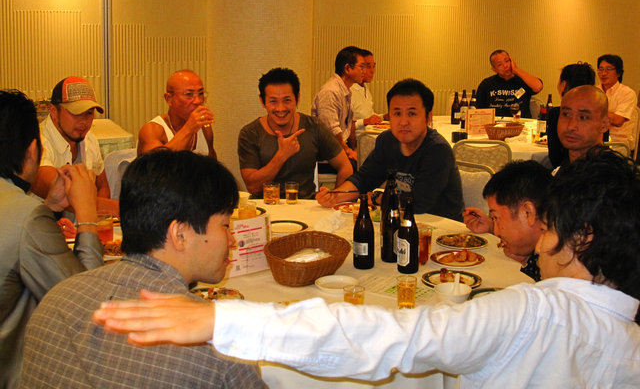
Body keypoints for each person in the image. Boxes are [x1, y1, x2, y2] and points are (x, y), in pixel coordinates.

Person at [94, 148, 640, 387]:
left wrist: (223, 320)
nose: (540, 243)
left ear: (582, 238)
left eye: (549, 228)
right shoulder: (630, 347)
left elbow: (390, 336)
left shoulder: (531, 313)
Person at [20, 151, 265, 388]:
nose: (232, 241)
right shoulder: (218, 340)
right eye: (225, 225)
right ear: (179, 234)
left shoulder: (56, 300)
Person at [0, 90, 103, 389]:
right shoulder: (25, 215)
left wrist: (51, 208)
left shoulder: (21, 211)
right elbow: (86, 304)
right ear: (33, 150)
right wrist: (86, 215)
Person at [316, 79, 464, 220]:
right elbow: (364, 179)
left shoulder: (437, 150)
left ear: (428, 118)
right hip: (403, 220)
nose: (403, 122)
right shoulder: (387, 141)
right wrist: (334, 196)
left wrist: (378, 197)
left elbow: (419, 203)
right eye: (397, 113)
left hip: (442, 226)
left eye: (412, 113)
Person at [238, 68, 352, 198]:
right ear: (262, 101)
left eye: (287, 100)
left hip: (306, 205)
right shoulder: (250, 133)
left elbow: (345, 167)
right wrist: (281, 156)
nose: (280, 108)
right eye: (273, 101)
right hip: (266, 206)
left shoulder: (313, 126)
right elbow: (253, 188)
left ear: (297, 99)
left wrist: (334, 198)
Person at [31, 76, 118, 215]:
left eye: (89, 113)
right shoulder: (37, 143)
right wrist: (121, 209)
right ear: (53, 111)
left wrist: (100, 220)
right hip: (43, 225)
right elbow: (65, 195)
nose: (84, 121)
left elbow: (102, 185)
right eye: (76, 113)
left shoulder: (89, 138)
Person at [463, 160, 552, 281]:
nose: (497, 232)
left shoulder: (561, 259)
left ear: (528, 212)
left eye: (496, 217)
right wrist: (525, 261)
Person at [137, 70, 216, 158]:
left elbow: (212, 164)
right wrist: (188, 129)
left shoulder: (205, 128)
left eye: (201, 93)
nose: (198, 101)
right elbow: (153, 164)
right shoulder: (152, 130)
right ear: (169, 99)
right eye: (189, 94)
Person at [311, 46, 366, 165]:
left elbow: (351, 124)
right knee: (365, 168)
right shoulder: (330, 92)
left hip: (338, 149)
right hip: (327, 155)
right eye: (361, 67)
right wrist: (349, 151)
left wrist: (354, 149)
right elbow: (331, 132)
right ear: (347, 68)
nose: (364, 71)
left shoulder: (345, 90)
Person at [547, 62, 596, 168]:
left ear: (563, 85)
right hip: (596, 170)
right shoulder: (598, 112)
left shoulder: (557, 114)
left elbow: (555, 157)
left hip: (566, 172)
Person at [476, 49, 543, 118]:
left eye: (507, 61)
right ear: (494, 69)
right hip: (496, 123)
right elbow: (480, 112)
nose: (505, 66)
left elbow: (538, 87)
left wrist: (516, 69)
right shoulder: (486, 84)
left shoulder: (523, 80)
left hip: (521, 122)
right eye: (499, 65)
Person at [557, 85, 609, 166]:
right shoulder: (569, 166)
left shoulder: (609, 171)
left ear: (604, 125)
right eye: (566, 114)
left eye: (583, 117)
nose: (571, 126)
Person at [597, 54, 637, 149]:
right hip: (596, 139)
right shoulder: (594, 91)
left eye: (608, 69)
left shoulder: (627, 93)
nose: (603, 73)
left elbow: (618, 120)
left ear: (618, 73)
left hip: (618, 142)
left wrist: (592, 114)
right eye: (600, 69)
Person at [351, 49, 383, 139]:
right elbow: (346, 126)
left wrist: (384, 117)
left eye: (374, 66)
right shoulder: (349, 91)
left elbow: (370, 116)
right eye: (368, 66)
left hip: (369, 134)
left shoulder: (364, 88)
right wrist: (365, 121)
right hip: (360, 139)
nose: (372, 71)